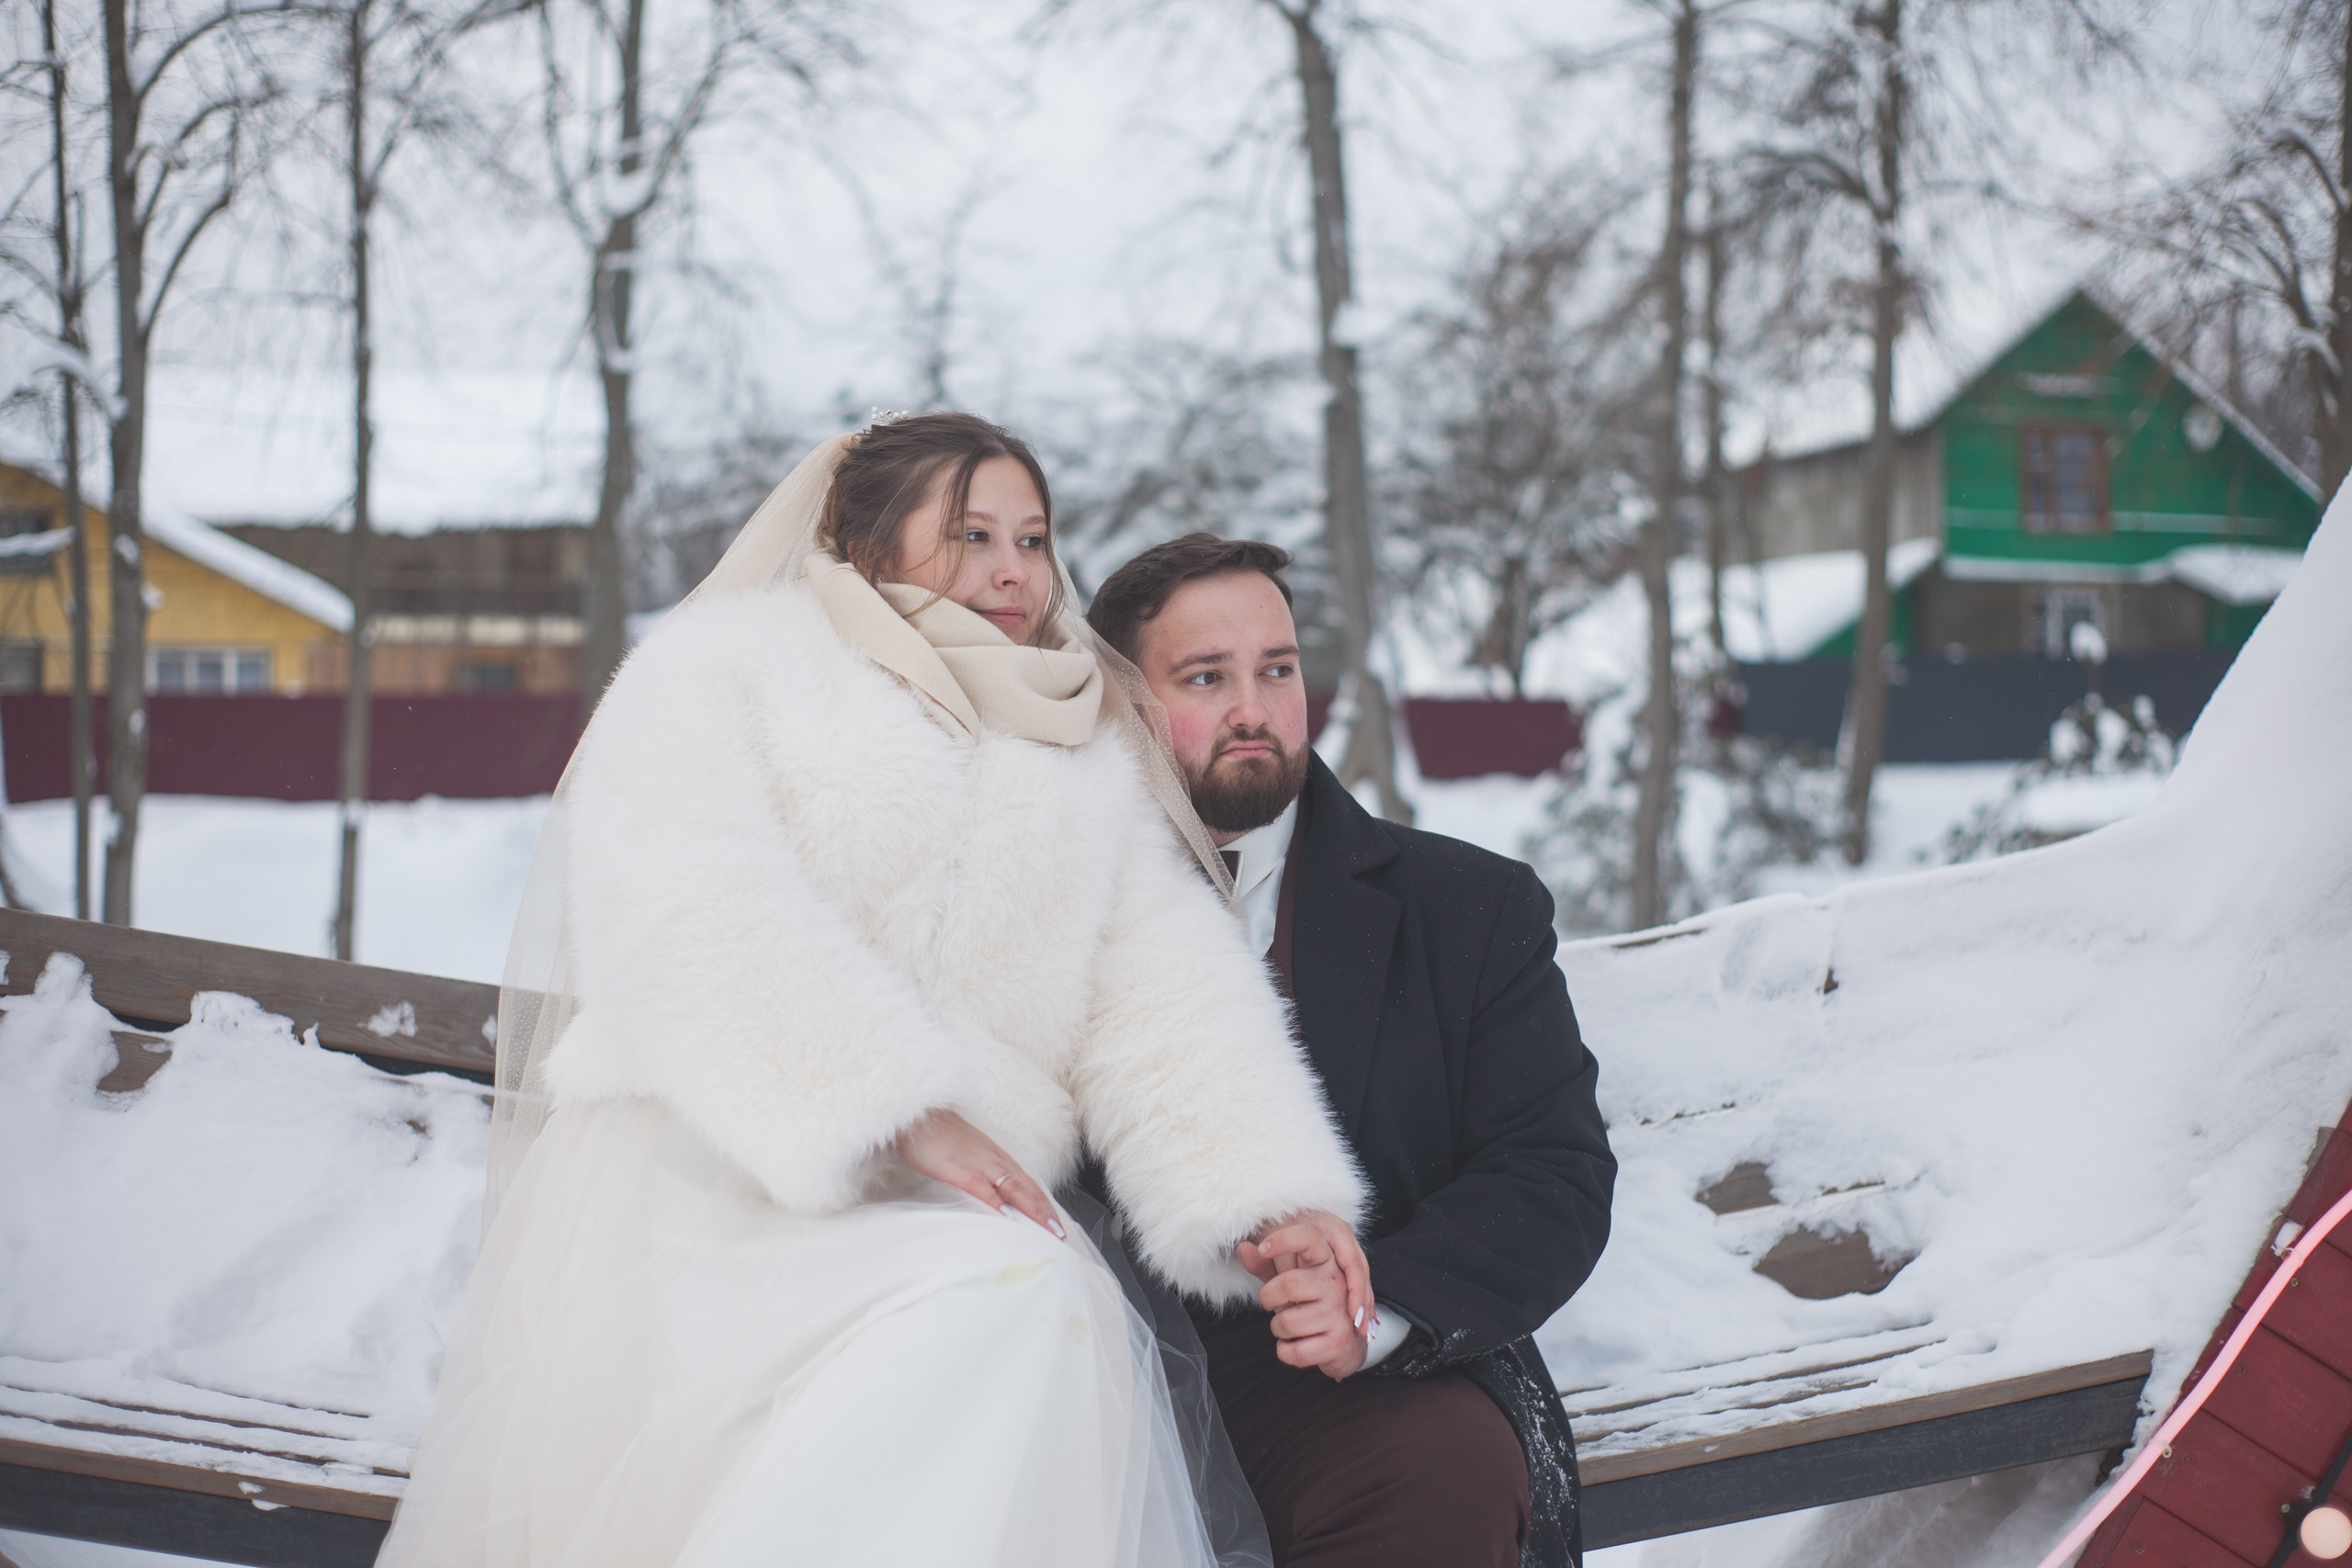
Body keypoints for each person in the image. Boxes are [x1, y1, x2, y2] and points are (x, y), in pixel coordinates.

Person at [376, 418, 1373, 1568]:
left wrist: (1266, 1200)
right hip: (714, 1180)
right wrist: (891, 1104)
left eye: (1034, 538)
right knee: (1011, 1297)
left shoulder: (1080, 745)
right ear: (861, 542)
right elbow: (680, 903)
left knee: (1037, 1295)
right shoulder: (726, 669)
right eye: (971, 536)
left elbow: (1157, 998)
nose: (1014, 571)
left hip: (953, 1217)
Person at [1086, 534, 1618, 1568]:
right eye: (1206, 677)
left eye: (1276, 670)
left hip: (1359, 1385)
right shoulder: (1057, 910)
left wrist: (1375, 1303)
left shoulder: (1467, 906)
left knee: (1438, 1475)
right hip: (1105, 1370)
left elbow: (1551, 1172)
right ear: (1123, 704)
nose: (1255, 709)